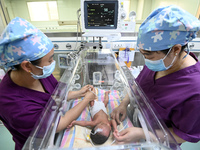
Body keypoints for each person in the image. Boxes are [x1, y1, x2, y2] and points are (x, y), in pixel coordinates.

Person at [0, 17, 96, 150]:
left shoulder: (38, 73)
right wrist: (86, 100)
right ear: (27, 66)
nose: (52, 64)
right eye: (50, 60)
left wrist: (78, 94)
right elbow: (58, 124)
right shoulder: (12, 104)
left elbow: (57, 94)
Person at [111, 5, 200, 145]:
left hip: (158, 142)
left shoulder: (195, 91)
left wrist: (144, 134)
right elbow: (139, 84)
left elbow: (183, 135)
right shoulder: (161, 61)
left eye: (148, 55)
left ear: (176, 49)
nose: (146, 60)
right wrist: (124, 103)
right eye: (143, 54)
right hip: (137, 124)